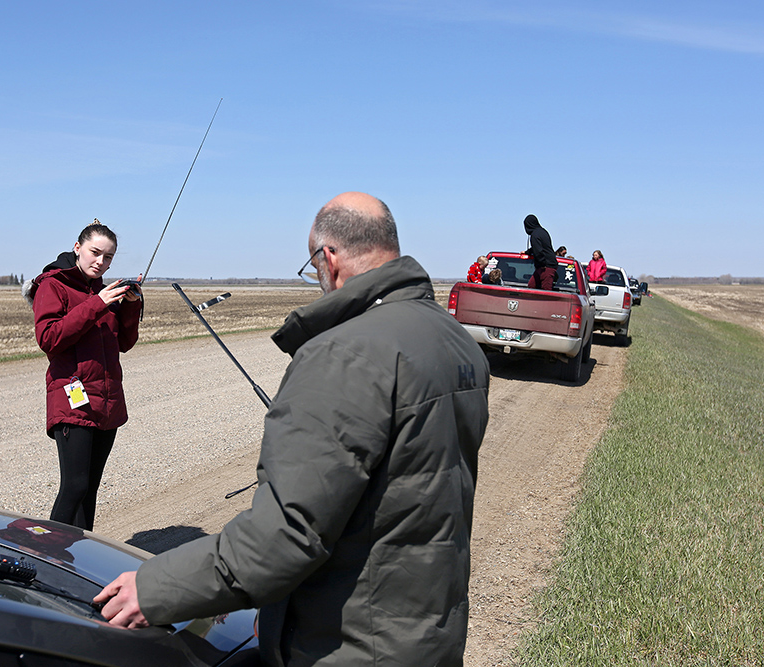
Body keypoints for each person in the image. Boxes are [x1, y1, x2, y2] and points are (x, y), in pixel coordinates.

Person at [95, 192, 490, 666]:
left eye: (313, 265)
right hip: (429, 634)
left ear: (329, 258)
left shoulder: (344, 354)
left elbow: (286, 534)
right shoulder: (454, 340)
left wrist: (155, 588)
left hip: (352, 646)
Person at [25, 220, 142, 531]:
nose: (101, 262)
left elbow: (124, 343)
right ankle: (47, 553)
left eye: (108, 257)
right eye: (95, 252)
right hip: (72, 397)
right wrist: (96, 304)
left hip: (107, 399)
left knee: (89, 490)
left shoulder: (102, 292)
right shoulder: (53, 285)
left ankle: (79, 554)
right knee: (74, 487)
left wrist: (130, 306)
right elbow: (49, 339)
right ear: (77, 248)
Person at [523, 214, 558, 290]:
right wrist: (527, 252)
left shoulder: (535, 235)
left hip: (546, 266)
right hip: (546, 265)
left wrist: (542, 264)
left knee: (546, 290)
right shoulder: (542, 231)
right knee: (532, 285)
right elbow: (539, 247)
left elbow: (538, 250)